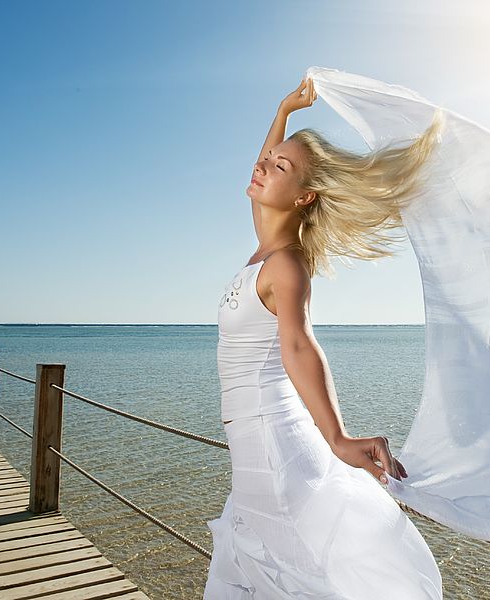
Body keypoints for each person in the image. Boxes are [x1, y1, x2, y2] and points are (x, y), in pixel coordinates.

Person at [204, 77, 444, 598]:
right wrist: (283, 109)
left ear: (304, 196)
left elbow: (299, 346)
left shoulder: (286, 264)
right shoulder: (265, 247)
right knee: (261, 572)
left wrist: (337, 436)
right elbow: (265, 162)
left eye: (280, 167)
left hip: (273, 443)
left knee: (293, 575)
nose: (263, 166)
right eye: (267, 160)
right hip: (253, 447)